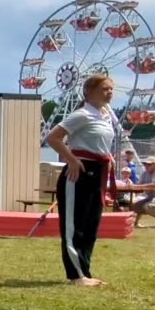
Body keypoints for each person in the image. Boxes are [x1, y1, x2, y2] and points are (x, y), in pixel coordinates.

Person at [44, 73, 122, 287]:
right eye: (105, 89)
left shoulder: (106, 116)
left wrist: (109, 158)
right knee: (74, 226)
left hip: (98, 173)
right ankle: (76, 275)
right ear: (89, 91)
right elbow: (52, 137)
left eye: (111, 89)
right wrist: (71, 159)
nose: (110, 93)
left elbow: (99, 145)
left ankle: (84, 272)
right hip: (78, 174)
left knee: (90, 225)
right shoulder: (82, 114)